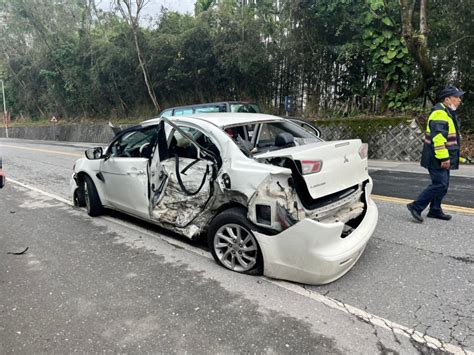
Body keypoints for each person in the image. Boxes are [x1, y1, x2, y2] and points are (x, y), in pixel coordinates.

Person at [407, 86, 467, 222]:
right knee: (440, 184)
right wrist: (444, 157)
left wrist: (457, 157)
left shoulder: (446, 113)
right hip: (436, 157)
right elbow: (438, 138)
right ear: (447, 99)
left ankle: (435, 210)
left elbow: (449, 139)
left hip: (440, 156)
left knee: (443, 185)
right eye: (456, 97)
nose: (459, 100)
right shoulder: (439, 114)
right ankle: (416, 206)